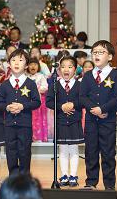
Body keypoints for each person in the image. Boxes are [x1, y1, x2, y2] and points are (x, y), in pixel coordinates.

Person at [80, 40, 117, 190]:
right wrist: (94, 109)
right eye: (94, 52)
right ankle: (91, 182)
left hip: (108, 121)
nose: (97, 55)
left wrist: (103, 109)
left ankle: (109, 185)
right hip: (91, 120)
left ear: (110, 56)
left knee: (108, 153)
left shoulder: (115, 75)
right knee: (91, 151)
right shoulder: (87, 76)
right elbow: (82, 96)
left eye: (101, 52)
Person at [0, 49, 41, 175]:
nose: (17, 63)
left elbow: (37, 102)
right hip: (9, 124)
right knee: (10, 151)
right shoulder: (5, 85)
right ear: (9, 64)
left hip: (25, 124)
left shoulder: (31, 84)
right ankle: (13, 176)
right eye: (13, 60)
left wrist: (23, 106)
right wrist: (7, 107)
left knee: (24, 150)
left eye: (21, 60)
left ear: (26, 65)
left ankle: (24, 177)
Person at [46, 56, 84, 187]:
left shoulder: (80, 85)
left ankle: (73, 175)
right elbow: (49, 102)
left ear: (75, 69)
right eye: (63, 67)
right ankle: (64, 175)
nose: (66, 69)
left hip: (74, 121)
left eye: (69, 66)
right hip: (61, 121)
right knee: (62, 150)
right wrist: (62, 106)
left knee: (73, 149)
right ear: (59, 70)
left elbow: (83, 100)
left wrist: (73, 105)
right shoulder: (54, 85)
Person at [26, 58, 48, 142]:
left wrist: (36, 89)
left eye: (35, 64)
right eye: (31, 64)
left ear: (38, 66)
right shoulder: (25, 77)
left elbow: (45, 87)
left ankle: (39, 137)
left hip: (39, 102)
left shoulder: (41, 76)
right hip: (28, 102)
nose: (33, 66)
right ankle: (30, 137)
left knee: (39, 119)